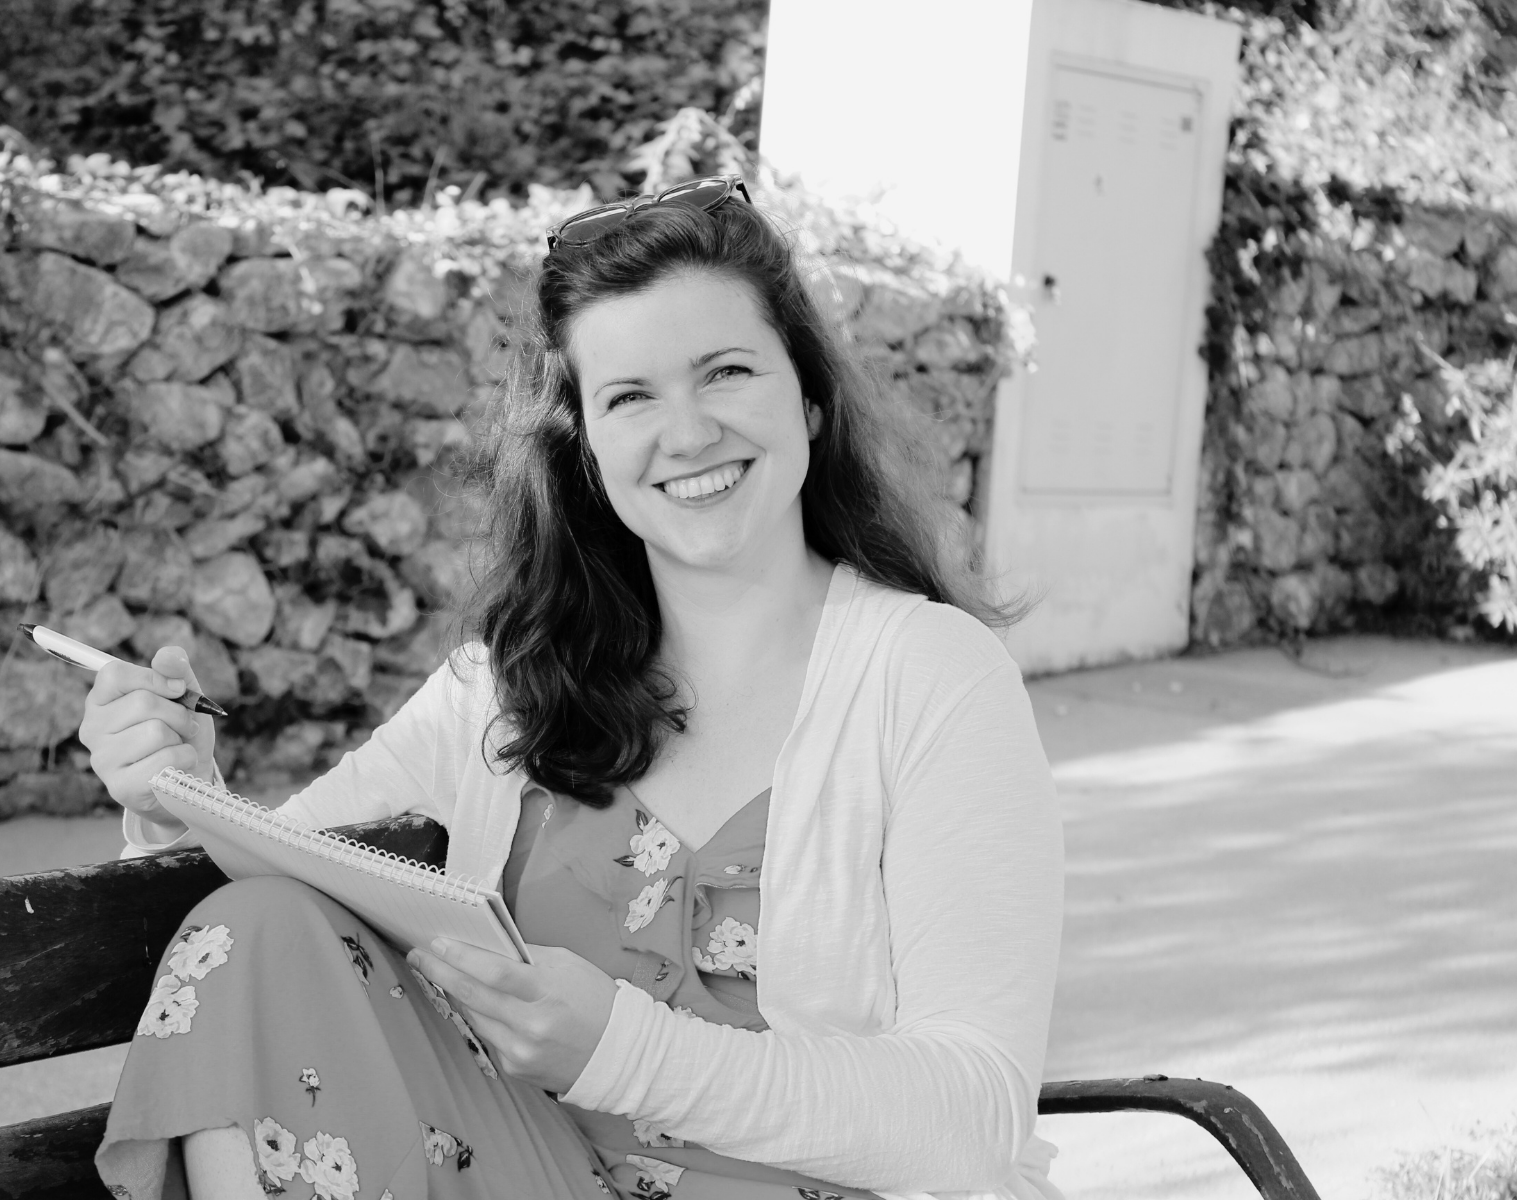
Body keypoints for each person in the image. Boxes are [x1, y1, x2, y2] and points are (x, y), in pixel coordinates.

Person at [80, 175, 1065, 1200]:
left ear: (809, 400)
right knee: (257, 930)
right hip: (530, 1172)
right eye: (630, 397)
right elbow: (269, 895)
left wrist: (619, 1050)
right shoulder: (508, 682)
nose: (687, 433)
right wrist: (174, 798)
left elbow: (975, 1113)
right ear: (587, 448)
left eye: (726, 373)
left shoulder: (932, 678)